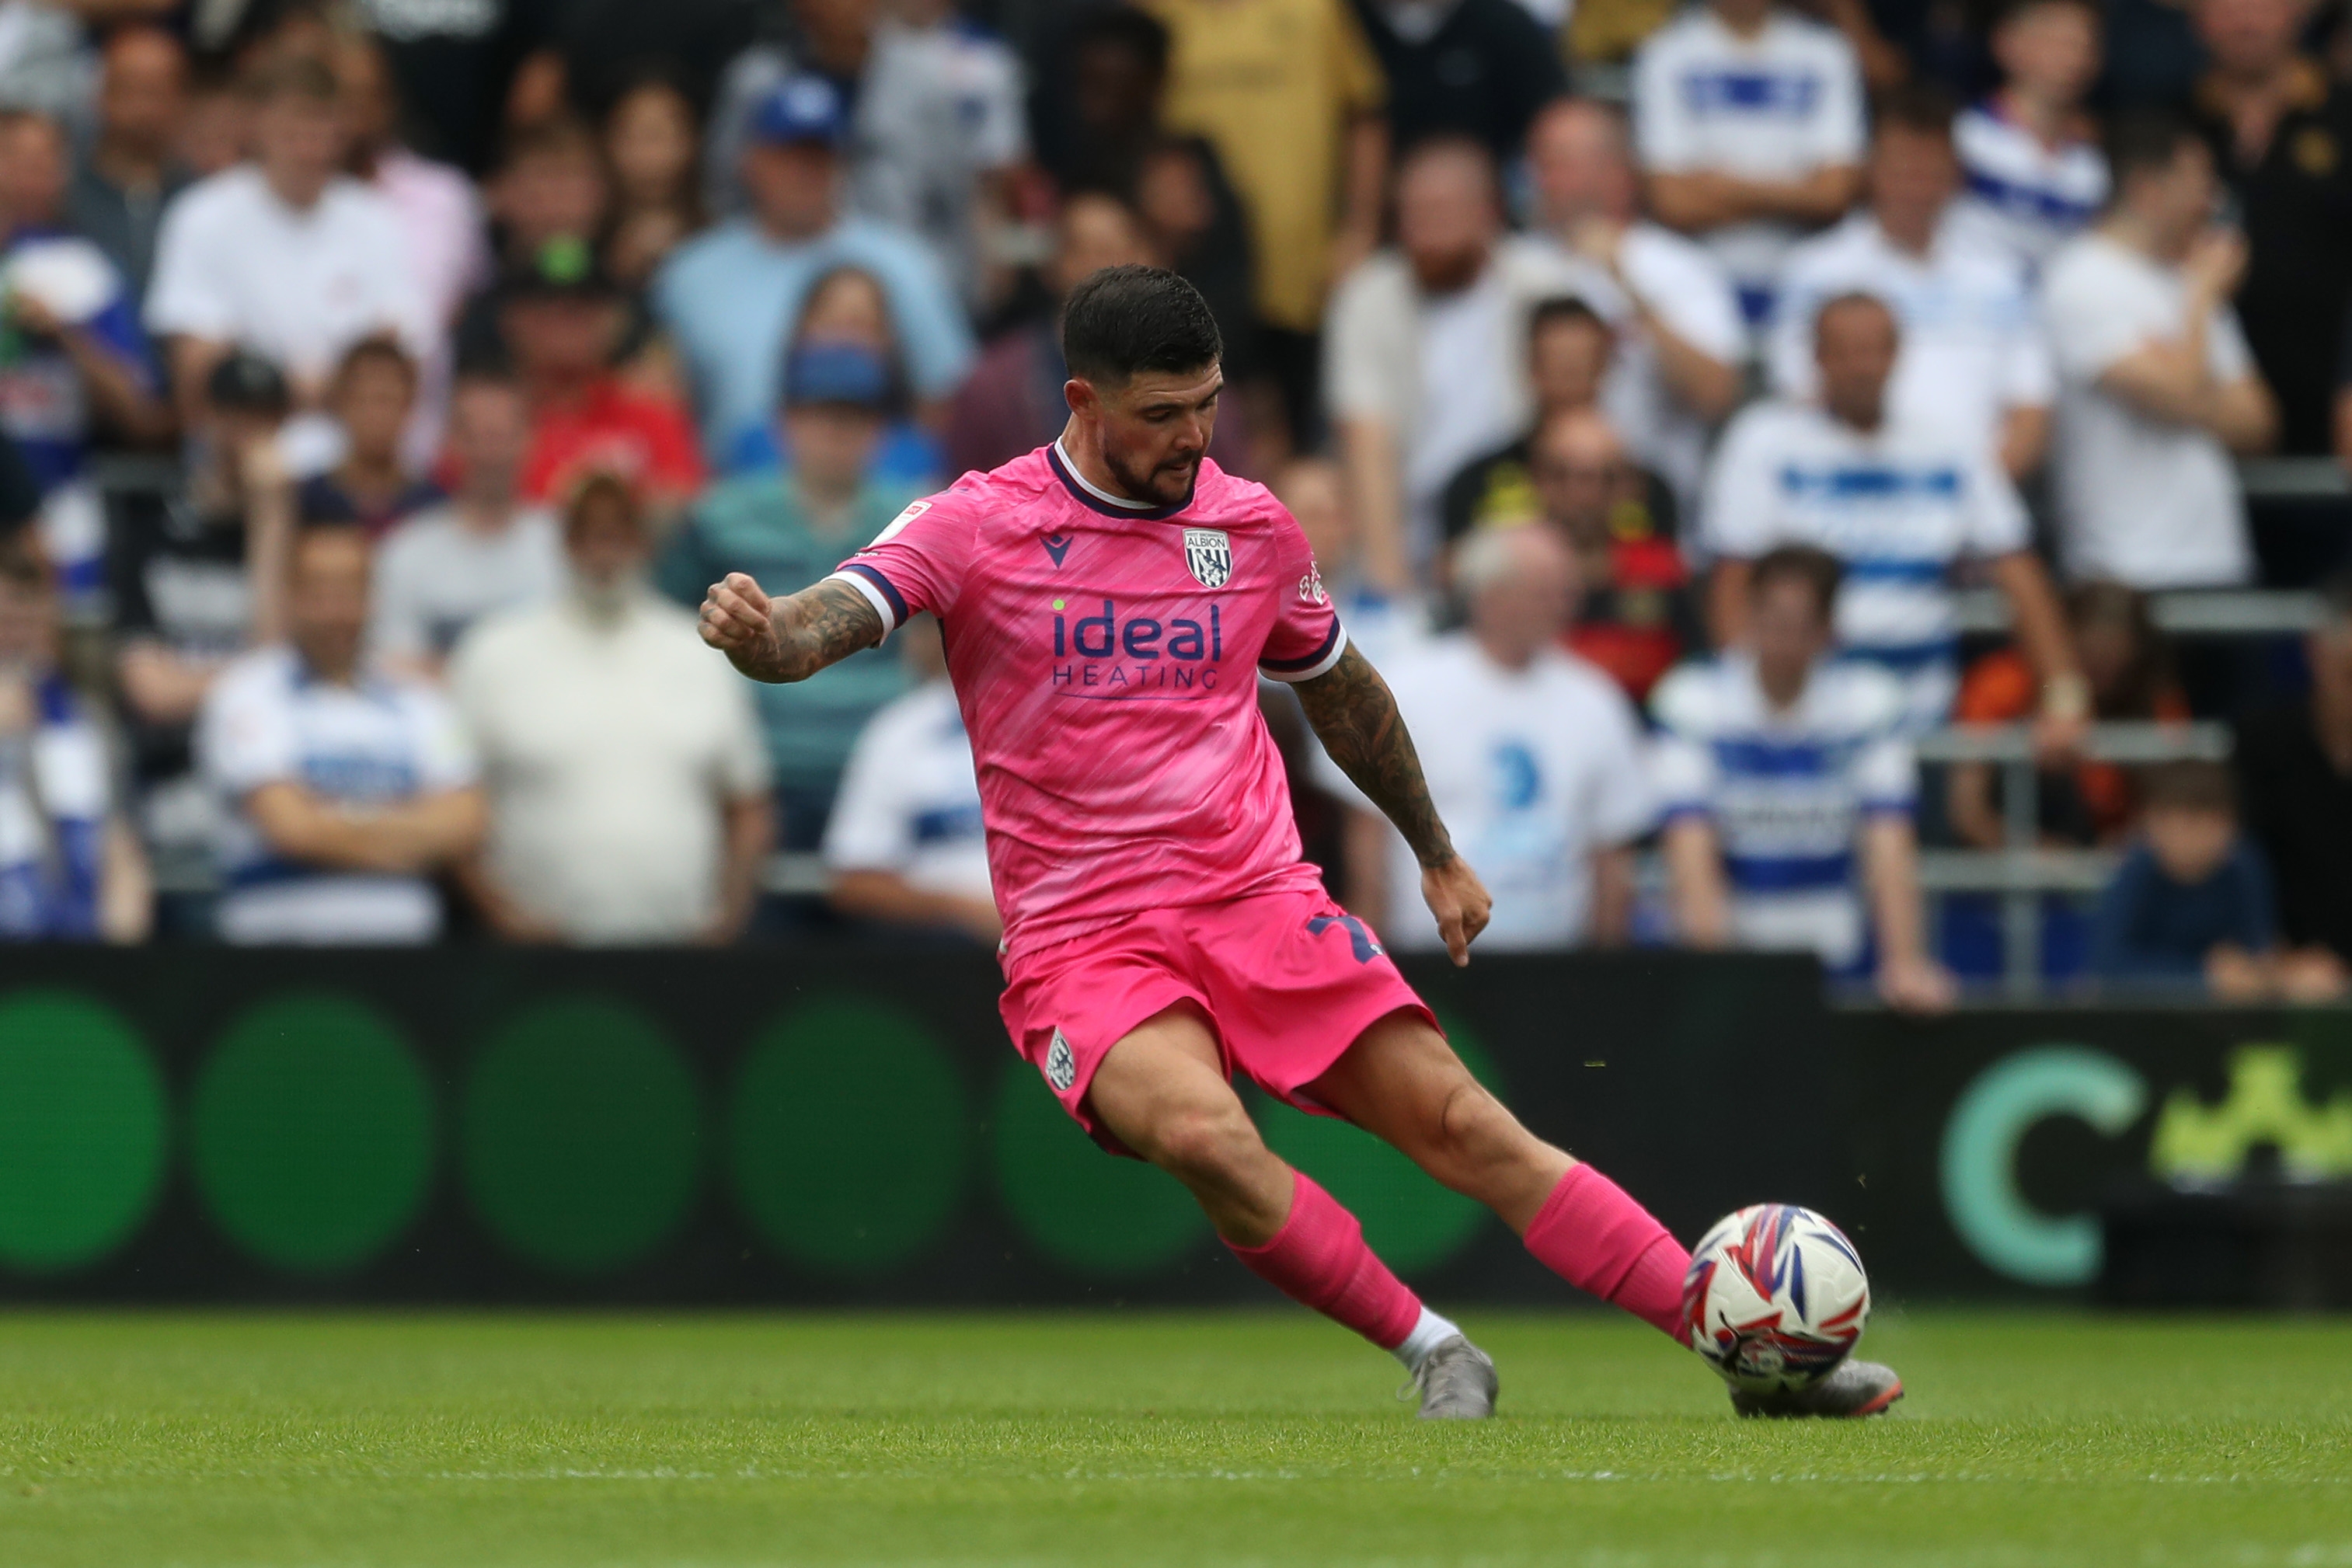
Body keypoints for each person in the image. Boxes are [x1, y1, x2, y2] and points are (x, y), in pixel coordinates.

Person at [695, 263, 1904, 1419]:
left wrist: (1430, 847)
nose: (1191, 438)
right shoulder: (977, 521)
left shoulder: (1250, 526)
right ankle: (1434, 1347)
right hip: (1082, 936)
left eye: (1207, 407)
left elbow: (1339, 687)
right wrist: (766, 636)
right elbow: (828, 623)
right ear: (1083, 402)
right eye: (1161, 414)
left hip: (1255, 897)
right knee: (1200, 1133)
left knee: (1469, 1127)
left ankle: (1747, 1355)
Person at [1706, 292, 2081, 733]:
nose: (1862, 367)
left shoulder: (1950, 445)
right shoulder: (1764, 442)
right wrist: (1746, 707)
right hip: (1808, 726)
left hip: (1922, 715)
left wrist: (2064, 698)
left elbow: (2018, 569)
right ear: (1817, 358)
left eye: (1874, 351)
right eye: (1846, 353)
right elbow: (1734, 584)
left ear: (1898, 354)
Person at [454, 472, 772, 945]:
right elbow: (453, 800)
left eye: (618, 531)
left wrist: (726, 922)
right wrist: (500, 916)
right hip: (533, 961)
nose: (603, 549)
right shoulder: (493, 652)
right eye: (587, 531)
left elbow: (749, 804)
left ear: (642, 541)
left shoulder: (703, 650)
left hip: (682, 952)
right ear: (563, 541)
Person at [1652, 545, 1955, 1012]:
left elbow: (1889, 841)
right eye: (1772, 618)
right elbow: (1690, 848)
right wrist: (1718, 975)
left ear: (1827, 630)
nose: (1783, 638)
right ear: (1748, 615)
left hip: (1837, 952)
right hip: (1734, 950)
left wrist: (1904, 962)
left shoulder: (1869, 703)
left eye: (1800, 624)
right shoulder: (1693, 701)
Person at [1325, 525, 1652, 952]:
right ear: (1488, 596)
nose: (1561, 607)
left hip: (1558, 967)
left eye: (1566, 592)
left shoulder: (1596, 701)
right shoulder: (1407, 688)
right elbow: (1367, 838)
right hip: (1429, 960)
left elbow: (1610, 855)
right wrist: (1371, 958)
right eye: (1542, 592)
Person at [657, 341, 915, 851]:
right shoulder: (720, 516)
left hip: (882, 768)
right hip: (757, 769)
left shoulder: (917, 517)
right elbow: (669, 626)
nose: (838, 432)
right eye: (822, 414)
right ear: (785, 422)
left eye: (855, 416)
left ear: (879, 430)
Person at [654, 75, 974, 469]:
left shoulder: (904, 263)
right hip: (730, 501)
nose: (804, 171)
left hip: (877, 499)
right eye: (787, 155)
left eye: (818, 156)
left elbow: (948, 400)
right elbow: (658, 399)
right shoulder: (689, 274)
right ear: (750, 159)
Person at [1324, 136, 1598, 591]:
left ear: (1488, 212)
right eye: (1414, 213)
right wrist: (1389, 582)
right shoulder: (1367, 295)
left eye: (1443, 210)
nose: (1426, 229)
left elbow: (1574, 407)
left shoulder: (1541, 283)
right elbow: (1364, 436)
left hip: (1521, 515)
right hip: (1407, 526)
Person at [198, 522, 484, 945]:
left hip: (405, 953)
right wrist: (411, 839)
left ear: (373, 600)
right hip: (275, 953)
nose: (336, 611)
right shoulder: (247, 691)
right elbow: (291, 828)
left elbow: (466, 822)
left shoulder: (421, 702)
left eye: (350, 592)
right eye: (320, 593)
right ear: (291, 597)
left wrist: (333, 824)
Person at [1768, 86, 2056, 481]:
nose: (1917, 189)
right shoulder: (1816, 271)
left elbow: (2030, 411)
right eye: (1904, 171)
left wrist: (1967, 498)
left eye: (1931, 173)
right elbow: (1800, 397)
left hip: (1974, 507)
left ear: (1955, 176)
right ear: (1872, 171)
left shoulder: (2001, 277)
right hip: (1849, 496)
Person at [2042, 113, 2277, 591]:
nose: (2210, 202)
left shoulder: (2187, 280)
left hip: (2217, 558)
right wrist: (2203, 304)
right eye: (2198, 183)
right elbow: (2182, 396)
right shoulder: (2080, 280)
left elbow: (2259, 423)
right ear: (2147, 188)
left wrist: (2181, 372)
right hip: (2122, 572)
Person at [1138, 0, 1387, 441]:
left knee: (1297, 429)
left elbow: (1364, 113)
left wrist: (1360, 229)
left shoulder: (1317, 10)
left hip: (1301, 267)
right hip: (1195, 267)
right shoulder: (1157, 11)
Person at [145, 56, 431, 437]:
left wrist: (275, 386)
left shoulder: (376, 220)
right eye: (294, 127)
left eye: (322, 126)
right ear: (258, 125)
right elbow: (200, 375)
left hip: (354, 458)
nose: (308, 146)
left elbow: (399, 358)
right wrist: (332, 387)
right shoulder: (202, 216)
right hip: (247, 452)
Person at [110, 352, 298, 910]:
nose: (247, 435)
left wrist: (271, 521)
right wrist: (259, 676)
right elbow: (151, 691)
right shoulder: (148, 530)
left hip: (275, 818)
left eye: (265, 419)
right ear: (206, 419)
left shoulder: (306, 528)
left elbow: (290, 680)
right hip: (173, 811)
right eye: (235, 415)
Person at [701, 0, 1030, 306]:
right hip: (776, 284)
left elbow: (956, 198)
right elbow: (725, 195)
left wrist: (958, 289)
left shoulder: (923, 79)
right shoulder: (756, 81)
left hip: (906, 282)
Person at [1524, 98, 1745, 515]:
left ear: (1617, 172)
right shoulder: (1516, 263)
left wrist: (1626, 285)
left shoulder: (1679, 267)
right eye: (1540, 162)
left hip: (1652, 515)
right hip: (1534, 509)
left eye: (1561, 163)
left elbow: (1716, 394)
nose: (1544, 178)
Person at [0, 107, 169, 605]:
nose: (30, 172)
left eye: (45, 159)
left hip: (63, 512)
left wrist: (67, 337)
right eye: (14, 156)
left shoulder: (87, 270)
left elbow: (144, 417)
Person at [1631, 0, 1868, 327]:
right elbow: (1671, 203)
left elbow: (1834, 196)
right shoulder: (1666, 52)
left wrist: (1722, 187)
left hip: (1808, 284)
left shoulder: (1826, 52)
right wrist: (1796, 192)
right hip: (1695, 281)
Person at [2187, 0, 2352, 458]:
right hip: (2194, 415)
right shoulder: (2167, 121)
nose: (2246, 20)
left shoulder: (2345, 113)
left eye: (2264, 4)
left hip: (2335, 419)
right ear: (2195, 16)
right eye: (2226, 6)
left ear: (2301, 10)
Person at [1948, 581, 2190, 849]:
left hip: (2122, 860)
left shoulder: (2155, 702)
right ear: (2064, 641)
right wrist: (2044, 855)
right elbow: (1968, 812)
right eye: (2091, 658)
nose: (2103, 673)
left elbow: (2176, 804)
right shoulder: (2004, 683)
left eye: (2115, 663)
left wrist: (2124, 854)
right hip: (2012, 856)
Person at [371, 364, 564, 682]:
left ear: (530, 440)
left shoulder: (563, 543)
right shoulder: (407, 551)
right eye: (476, 437)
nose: (490, 453)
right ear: (451, 444)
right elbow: (392, 665)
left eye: (501, 436)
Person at [2089, 760, 2342, 1000]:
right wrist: (2201, 977)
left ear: (2230, 825)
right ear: (2149, 823)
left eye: (2206, 823)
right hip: (2147, 1023)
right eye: (2181, 823)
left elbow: (2258, 952)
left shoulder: (2244, 866)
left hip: (2224, 1023)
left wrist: (2288, 975)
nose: (2191, 839)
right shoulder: (2138, 871)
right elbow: (2106, 964)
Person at [0, 538, 148, 942]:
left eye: (26, 619)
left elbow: (121, 848)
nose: (15, 639)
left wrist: (115, 958)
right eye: (4, 623)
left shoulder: (88, 721)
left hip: (77, 956)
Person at [822, 613, 996, 944]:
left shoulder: (1075, 722)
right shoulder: (898, 732)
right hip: (946, 951)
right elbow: (854, 882)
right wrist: (970, 913)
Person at [498, 241, 706, 515]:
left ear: (613, 320)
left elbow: (685, 513)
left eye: (585, 303)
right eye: (546, 302)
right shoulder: (485, 422)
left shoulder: (652, 418)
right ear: (511, 319)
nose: (567, 316)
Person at [1528, 407, 1696, 705]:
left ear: (1628, 487)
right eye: (1563, 475)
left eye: (1603, 478)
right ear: (1539, 482)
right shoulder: (1506, 573)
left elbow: (1696, 676)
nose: (1583, 494)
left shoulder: (1664, 571)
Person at [726, 263, 943, 485]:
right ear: (801, 330)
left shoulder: (917, 453)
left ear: (888, 340)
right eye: (831, 323)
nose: (844, 340)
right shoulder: (754, 445)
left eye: (860, 325)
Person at [2235, 573, 2352, 974]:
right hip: (2292, 975)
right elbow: (2246, 864)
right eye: (2349, 673)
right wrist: (2280, 960)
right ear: (2315, 655)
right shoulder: (2264, 744)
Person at [1441, 298, 1617, 542]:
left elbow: (1666, 569)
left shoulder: (1644, 487)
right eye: (1559, 367)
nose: (1570, 385)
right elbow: (1451, 568)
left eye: (1582, 366)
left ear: (1605, 368)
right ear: (1530, 368)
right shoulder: (1478, 484)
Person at [1953, 0, 2109, 272]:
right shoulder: (1966, 136)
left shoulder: (2092, 169)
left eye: (2084, 46)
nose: (2073, 59)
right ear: (2007, 43)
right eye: (2057, 43)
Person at [1347, 0, 1566, 166]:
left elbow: (1559, 120)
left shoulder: (1502, 24)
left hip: (1487, 207)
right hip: (1356, 214)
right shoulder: (1343, 23)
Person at [67, 25, 192, 305]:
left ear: (182, 100)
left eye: (158, 92)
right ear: (99, 95)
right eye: (129, 90)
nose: (144, 108)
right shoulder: (61, 193)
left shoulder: (200, 198)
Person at [296, 336, 442, 537]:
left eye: (385, 400)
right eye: (360, 400)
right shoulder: (306, 501)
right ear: (339, 405)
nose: (373, 415)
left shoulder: (435, 508)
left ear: (409, 407)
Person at [603, 73, 706, 288]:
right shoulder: (581, 231)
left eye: (658, 136)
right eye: (632, 137)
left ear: (692, 141)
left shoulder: (719, 236)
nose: (648, 155)